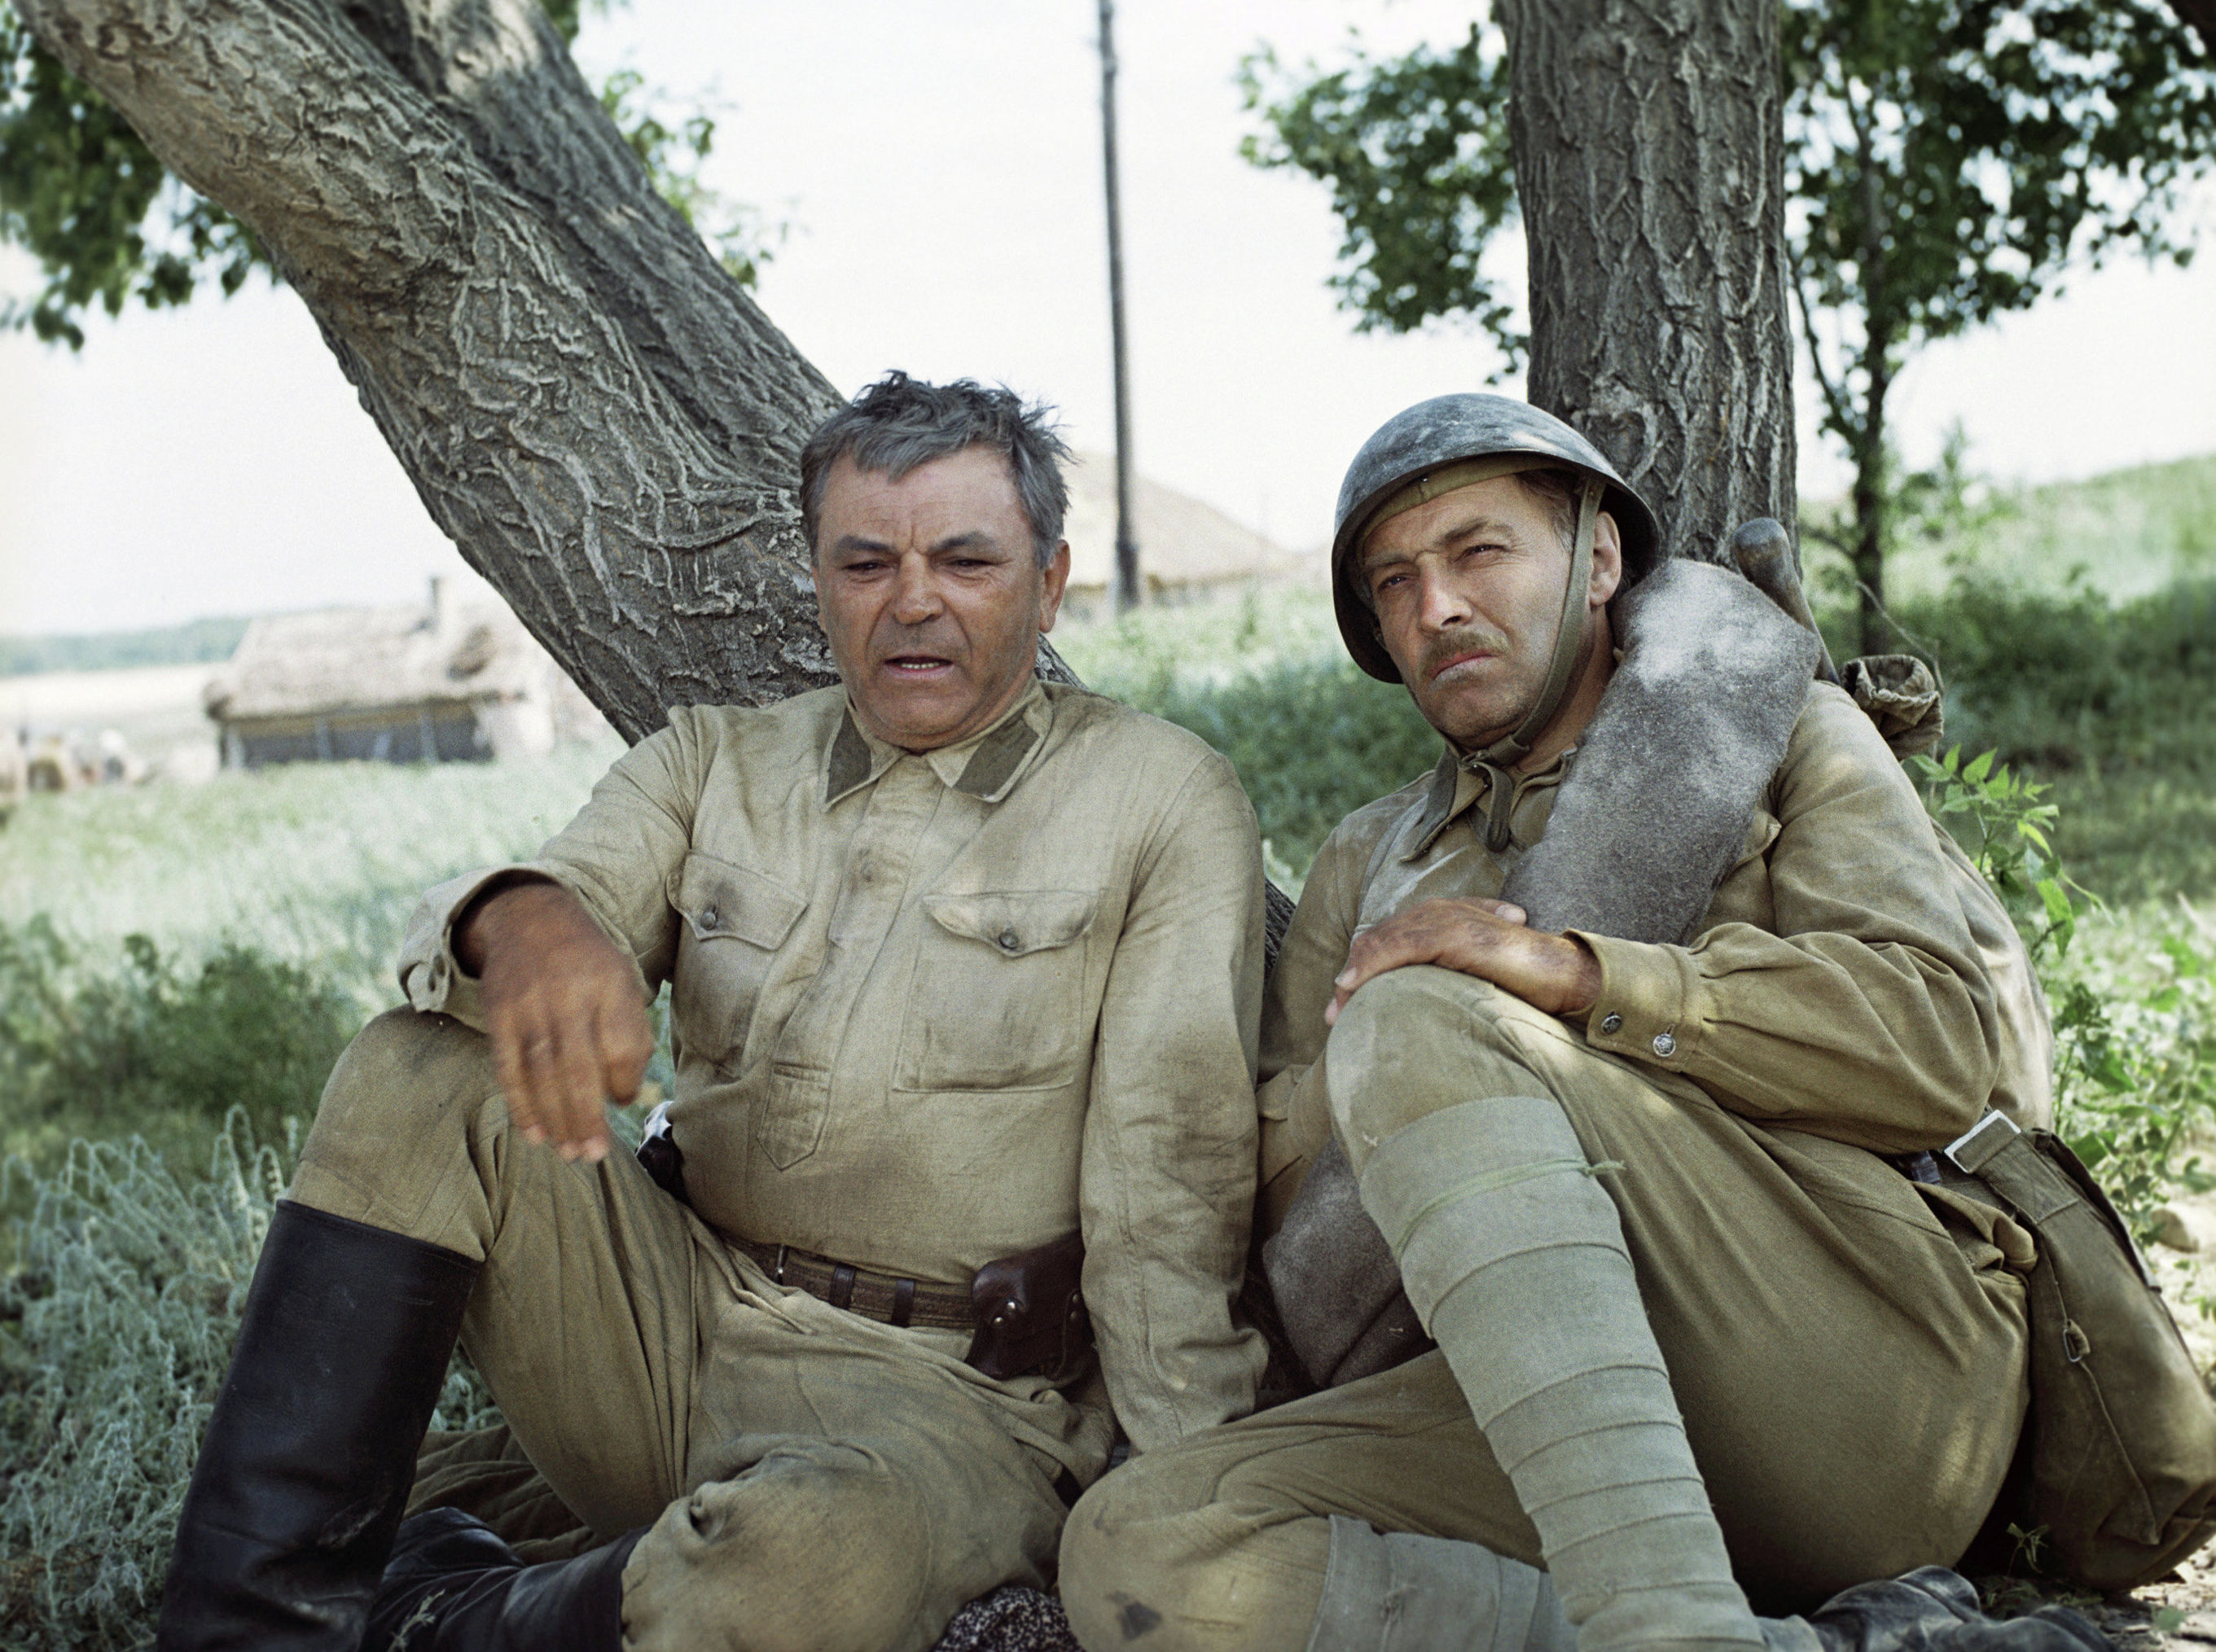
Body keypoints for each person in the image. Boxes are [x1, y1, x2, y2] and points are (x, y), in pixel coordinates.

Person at [156, 373, 1269, 1652]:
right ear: (816, 576)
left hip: (950, 1403)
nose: (913, 600)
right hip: (666, 1325)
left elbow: (1168, 1187)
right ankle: (243, 1631)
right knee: (420, 1068)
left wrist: (1191, 1515)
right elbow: (545, 900)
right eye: (866, 562)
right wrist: (522, 920)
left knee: (796, 1567)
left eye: (966, 559)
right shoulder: (710, 761)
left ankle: (441, 1613)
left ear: (1049, 579)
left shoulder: (1161, 799)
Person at [1056, 395, 2098, 1652]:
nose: (1434, 604)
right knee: (1145, 1548)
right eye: (1394, 580)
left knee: (1419, 1017)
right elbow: (1300, 1217)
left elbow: (1938, 1043)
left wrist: (1570, 971)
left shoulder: (1771, 736)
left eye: (1477, 552)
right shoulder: (1360, 866)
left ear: (1598, 558)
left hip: (1853, 1372)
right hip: (1543, 1403)